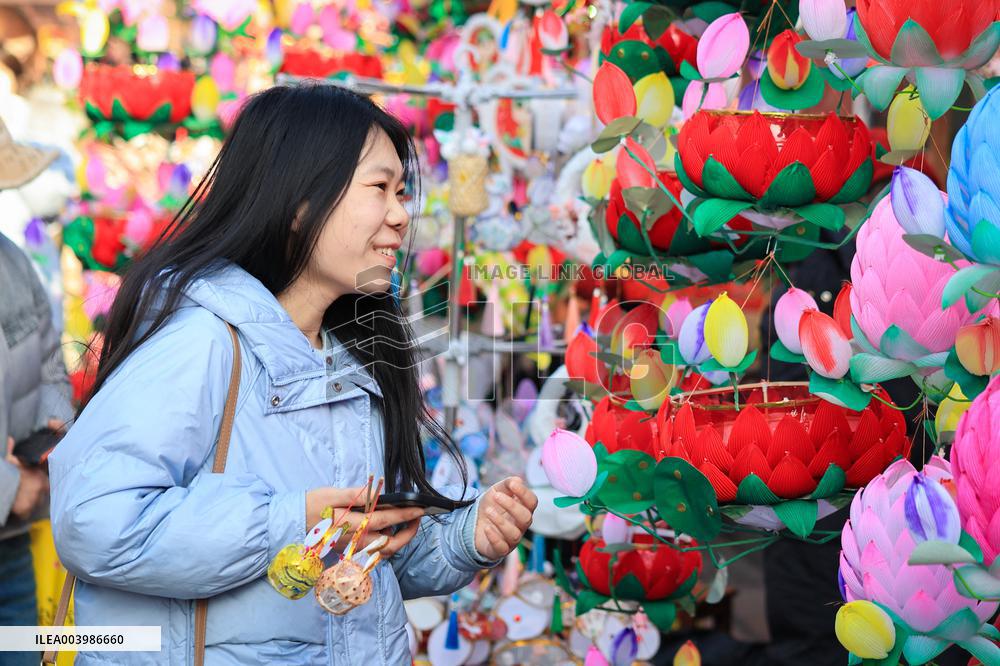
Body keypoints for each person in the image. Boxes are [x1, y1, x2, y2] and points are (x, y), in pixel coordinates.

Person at [48, 84, 537, 665]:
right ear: (300, 203)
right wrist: (292, 519)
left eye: (402, 193)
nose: (401, 215)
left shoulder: (352, 359)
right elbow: (94, 523)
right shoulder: (200, 343)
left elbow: (354, 562)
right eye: (379, 188)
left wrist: (466, 538)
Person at [0, 117, 74, 663]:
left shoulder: (11, 261)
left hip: (11, 538)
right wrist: (7, 489)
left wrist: (52, 425)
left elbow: (50, 358)